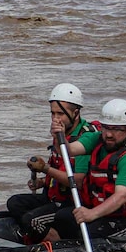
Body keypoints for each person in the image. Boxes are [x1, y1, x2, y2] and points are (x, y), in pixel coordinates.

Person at [54, 98, 126, 241]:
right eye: (106, 127)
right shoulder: (99, 139)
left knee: (90, 234)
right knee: (63, 217)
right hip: (109, 214)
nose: (108, 134)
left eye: (115, 129)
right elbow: (69, 150)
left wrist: (91, 214)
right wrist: (59, 135)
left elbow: (121, 196)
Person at [7, 83, 96, 243]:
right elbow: (58, 169)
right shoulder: (60, 132)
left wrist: (45, 169)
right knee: (15, 203)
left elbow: (78, 181)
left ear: (75, 113)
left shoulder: (84, 139)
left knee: (32, 220)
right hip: (54, 197)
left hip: (73, 201)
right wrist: (41, 182)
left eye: (60, 114)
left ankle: (57, 241)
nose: (55, 119)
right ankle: (39, 234)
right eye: (53, 113)